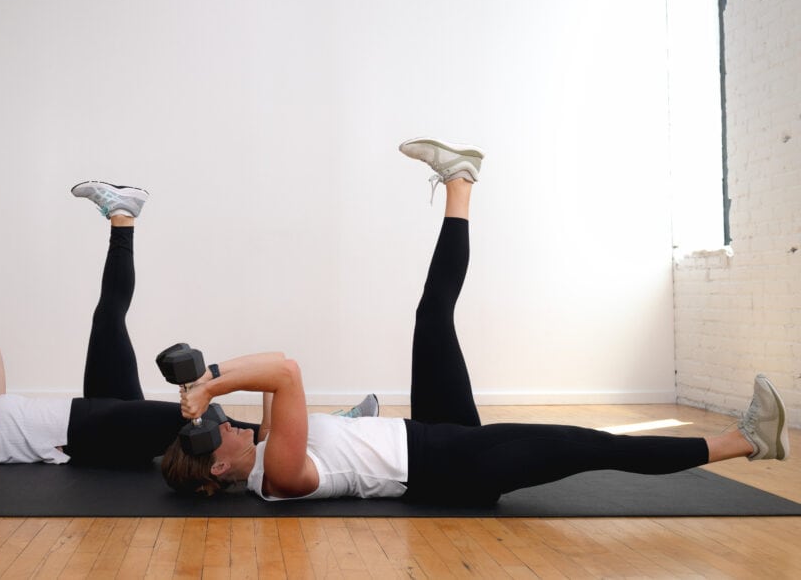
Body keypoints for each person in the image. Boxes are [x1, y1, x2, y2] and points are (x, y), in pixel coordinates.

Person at [161, 137, 791, 503]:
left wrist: (205, 388)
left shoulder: (268, 445)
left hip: (433, 434)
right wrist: (210, 382)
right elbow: (288, 371)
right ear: (219, 466)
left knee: (431, 318)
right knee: (590, 445)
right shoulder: (278, 475)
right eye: (219, 432)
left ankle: (460, 180)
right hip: (452, 469)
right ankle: (746, 442)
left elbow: (271, 375)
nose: (225, 424)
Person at [0, 183, 378, 466]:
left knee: (107, 315)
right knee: (219, 426)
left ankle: (123, 214)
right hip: (100, 433)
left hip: (95, 408)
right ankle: (337, 427)